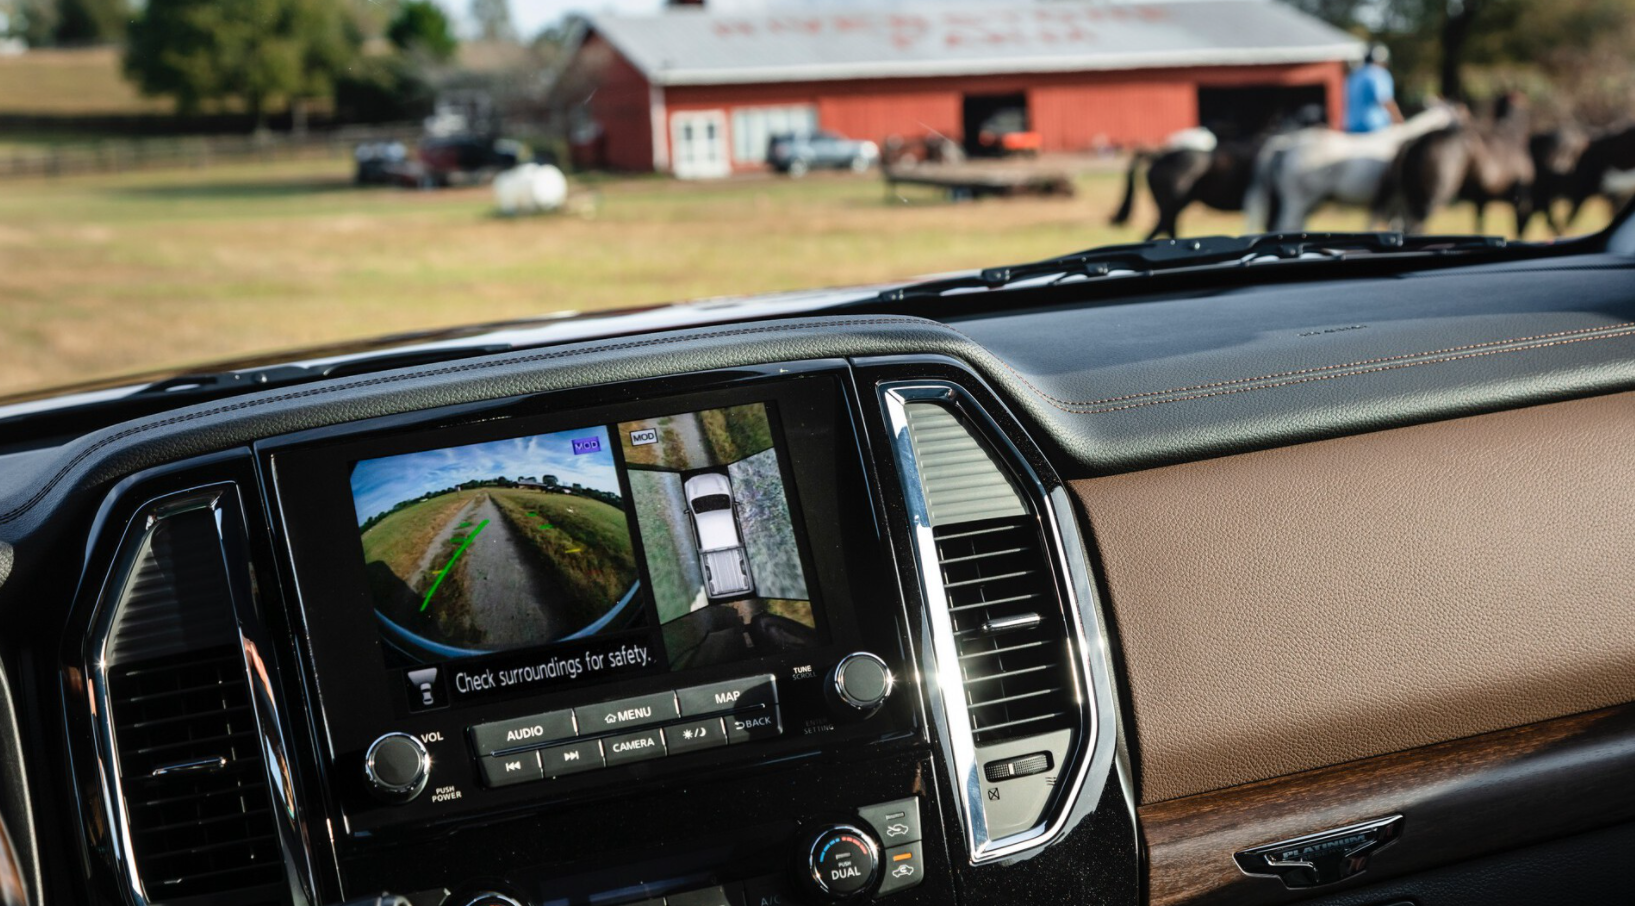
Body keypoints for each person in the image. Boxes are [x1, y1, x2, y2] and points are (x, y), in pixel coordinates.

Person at [1345, 45, 1405, 134]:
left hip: (1351, 127)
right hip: (1375, 128)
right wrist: (1401, 124)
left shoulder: (1354, 75)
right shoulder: (1378, 73)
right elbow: (1386, 100)